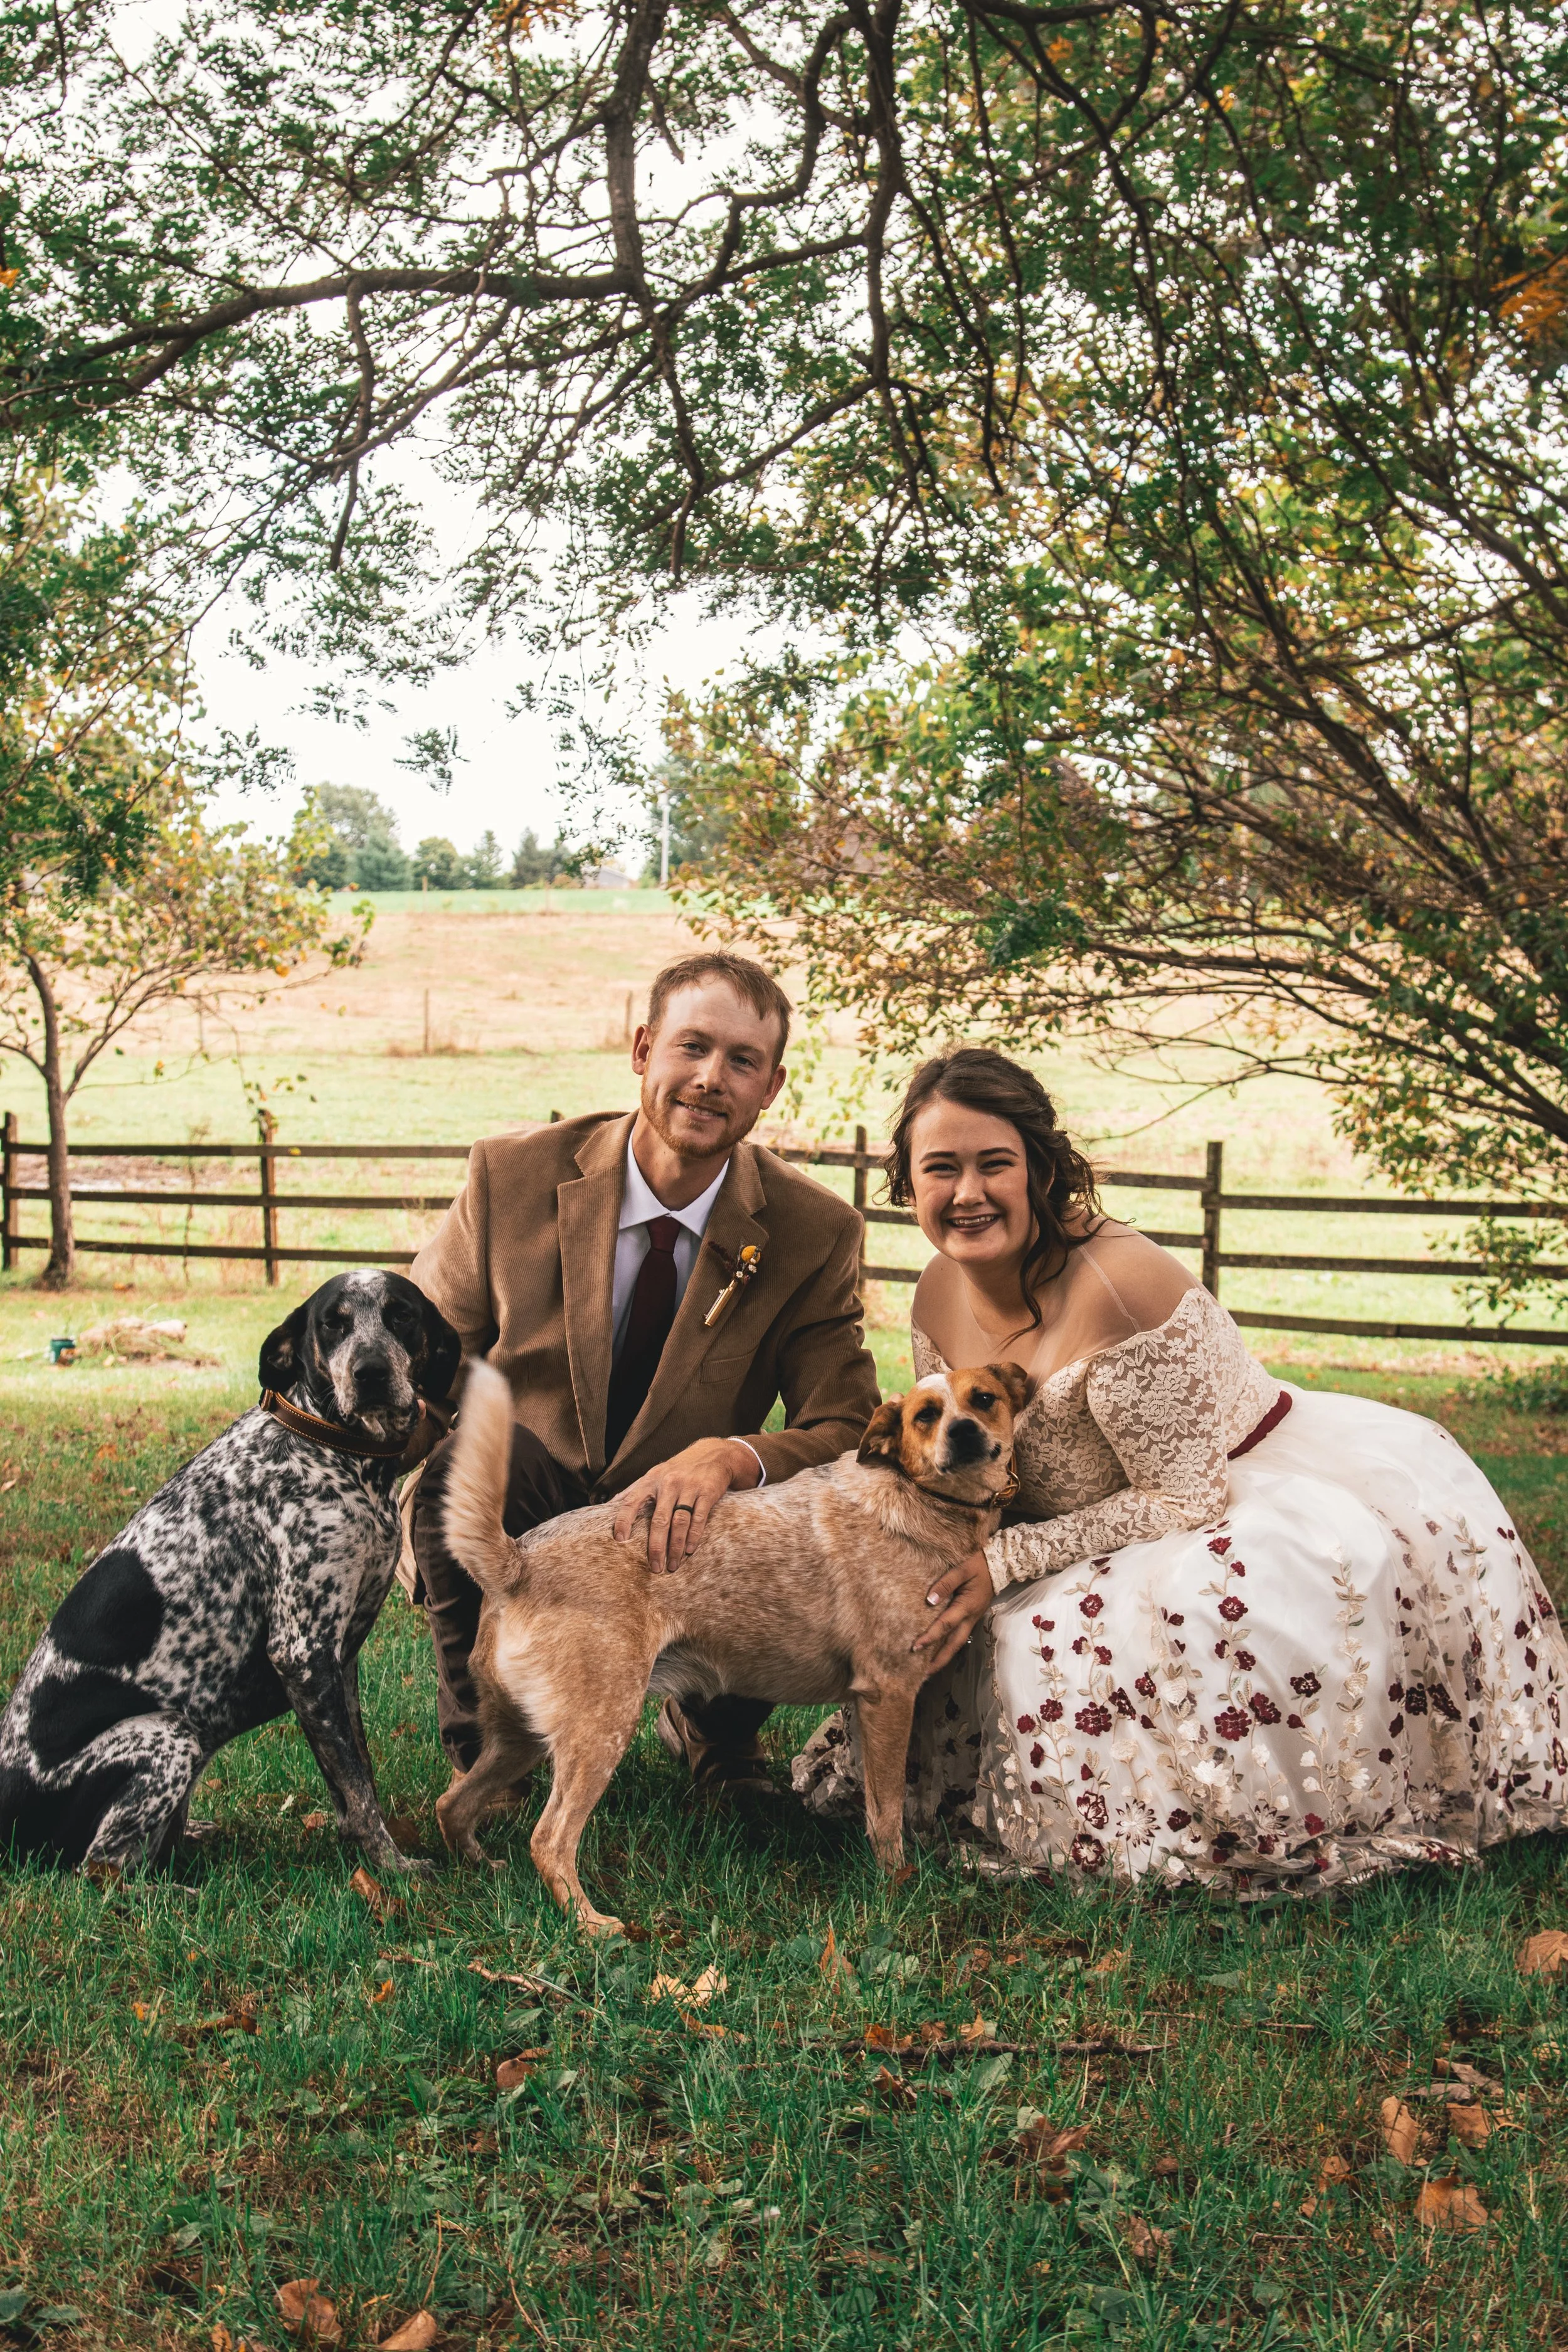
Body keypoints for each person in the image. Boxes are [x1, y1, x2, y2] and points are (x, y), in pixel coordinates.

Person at [795, 1046, 1568, 1892]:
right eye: (939, 1169)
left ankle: (1190, 1824)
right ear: (908, 1184)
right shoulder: (937, 1287)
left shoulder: (1119, 1291)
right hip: (1082, 1510)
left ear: (1042, 1170)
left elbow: (1184, 1493)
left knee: (1062, 1636)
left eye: (995, 1165)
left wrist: (1007, 1563)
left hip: (1229, 1500)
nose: (967, 1193)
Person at [406, 951, 882, 1797]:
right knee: (469, 1468)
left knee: (771, 1509)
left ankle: (715, 1732)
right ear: (642, 1050)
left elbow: (847, 1425)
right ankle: (491, 1753)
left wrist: (733, 1456)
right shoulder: (510, 1175)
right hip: (530, 1497)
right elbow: (417, 1354)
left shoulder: (816, 1231)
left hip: (685, 1526)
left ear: (771, 1088)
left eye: (742, 1061)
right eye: (691, 1047)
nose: (710, 1078)